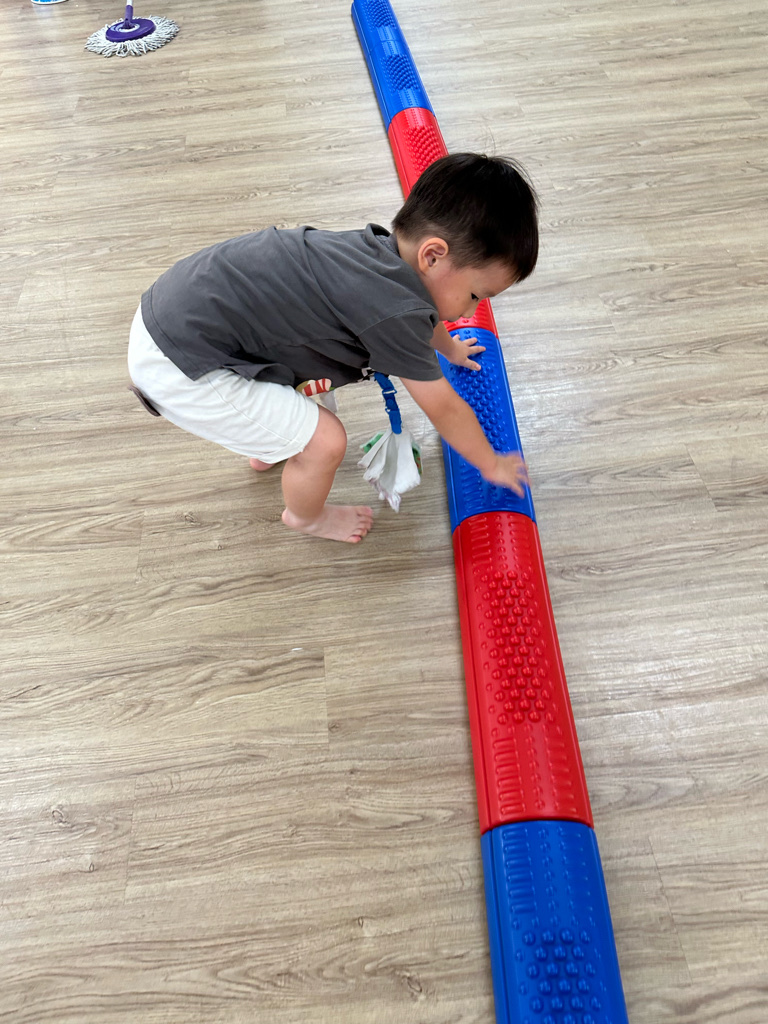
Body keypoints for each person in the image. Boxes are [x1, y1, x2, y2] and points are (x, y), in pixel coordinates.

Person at [128, 153, 539, 543]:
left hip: (176, 312)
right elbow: (444, 407)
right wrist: (491, 463)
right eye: (475, 295)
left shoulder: (379, 256)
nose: (471, 310)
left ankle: (266, 441)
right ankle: (305, 516)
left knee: (307, 399)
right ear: (432, 256)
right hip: (178, 364)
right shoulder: (393, 308)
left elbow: (423, 317)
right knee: (325, 441)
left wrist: (449, 350)